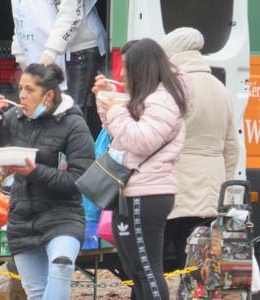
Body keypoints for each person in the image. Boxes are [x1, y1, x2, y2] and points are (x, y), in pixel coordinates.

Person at [0, 63, 95, 300]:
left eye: (29, 90)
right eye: (20, 89)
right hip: (22, 219)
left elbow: (80, 179)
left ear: (48, 95)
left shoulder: (73, 124)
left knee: (61, 266)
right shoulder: (15, 117)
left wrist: (33, 171)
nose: (22, 96)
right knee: (36, 293)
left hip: (62, 217)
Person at [95, 38, 191, 300]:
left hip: (147, 193)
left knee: (147, 271)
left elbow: (142, 140)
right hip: (133, 191)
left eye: (126, 66)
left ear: (142, 67)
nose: (122, 73)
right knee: (135, 270)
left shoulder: (163, 99)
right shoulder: (151, 97)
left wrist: (116, 111)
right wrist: (106, 103)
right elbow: (122, 138)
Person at [159, 27, 239, 269]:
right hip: (211, 190)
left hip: (176, 188)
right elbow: (232, 147)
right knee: (200, 266)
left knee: (154, 263)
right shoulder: (221, 88)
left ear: (171, 54)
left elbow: (160, 136)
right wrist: (222, 180)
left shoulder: (172, 88)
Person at [10, 0, 107, 128]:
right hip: (41, 51)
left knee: (69, 111)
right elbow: (20, 18)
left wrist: (50, 53)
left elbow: (71, 12)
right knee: (43, 109)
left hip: (78, 49)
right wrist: (21, 57)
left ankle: (70, 146)